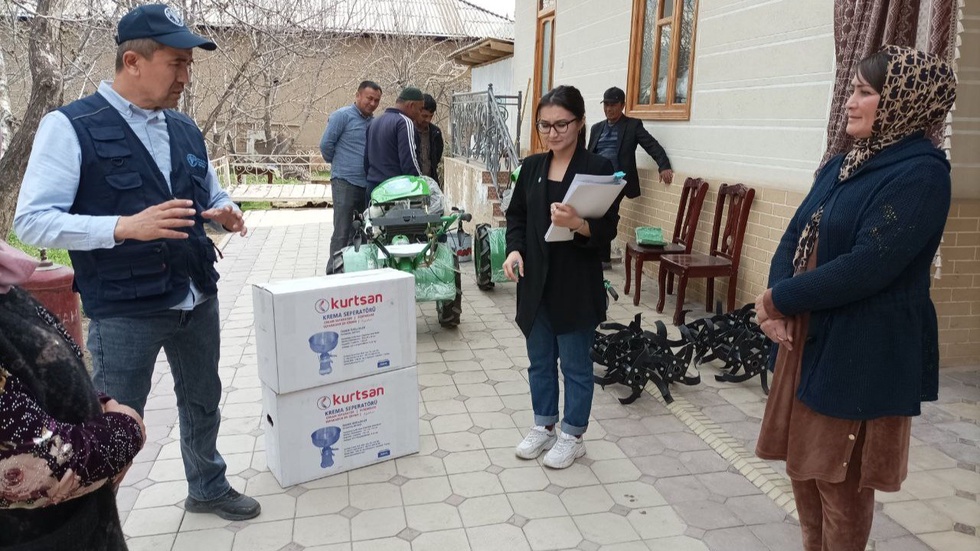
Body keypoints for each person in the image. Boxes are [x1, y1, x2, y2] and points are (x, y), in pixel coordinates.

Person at [13, 4, 260, 521]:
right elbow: (32, 222)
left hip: (196, 295)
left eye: (189, 65)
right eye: (176, 64)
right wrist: (123, 226)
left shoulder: (185, 129)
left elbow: (213, 193)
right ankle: (95, 521)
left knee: (203, 399)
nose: (186, 77)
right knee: (112, 423)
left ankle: (207, 486)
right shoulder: (71, 126)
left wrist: (227, 211)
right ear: (133, 61)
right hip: (126, 309)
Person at [753, 46, 956, 551]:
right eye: (853, 89)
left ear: (903, 101)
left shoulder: (922, 175)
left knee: (838, 480)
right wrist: (776, 302)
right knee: (802, 467)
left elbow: (867, 267)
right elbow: (795, 233)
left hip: (860, 350)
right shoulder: (844, 163)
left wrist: (779, 299)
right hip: (810, 335)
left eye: (864, 91)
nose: (849, 101)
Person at [0, 240, 146, 550]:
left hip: (82, 525)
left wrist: (98, 402)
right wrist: (127, 428)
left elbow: (39, 367)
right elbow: (43, 465)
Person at [504, 85, 619, 469]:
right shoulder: (532, 167)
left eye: (561, 124)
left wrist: (579, 224)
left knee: (575, 366)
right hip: (535, 282)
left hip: (575, 283)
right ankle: (544, 425)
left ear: (580, 122)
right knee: (539, 361)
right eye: (545, 125)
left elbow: (608, 229)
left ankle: (573, 435)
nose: (552, 133)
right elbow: (517, 217)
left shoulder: (598, 169)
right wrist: (514, 250)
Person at [587, 86, 673, 269]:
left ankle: (603, 259)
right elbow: (588, 155)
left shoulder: (632, 126)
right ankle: (598, 256)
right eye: (606, 105)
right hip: (597, 179)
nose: (608, 109)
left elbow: (651, 145)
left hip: (618, 179)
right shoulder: (596, 128)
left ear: (622, 105)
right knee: (595, 213)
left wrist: (664, 165)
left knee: (605, 211)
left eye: (613, 105)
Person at [320, 80, 382, 273]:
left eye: (376, 100)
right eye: (369, 98)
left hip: (366, 185)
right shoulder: (342, 116)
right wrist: (341, 164)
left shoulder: (373, 123)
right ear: (358, 95)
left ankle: (357, 272)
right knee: (342, 231)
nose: (372, 103)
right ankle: (334, 273)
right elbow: (326, 146)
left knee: (364, 230)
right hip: (344, 182)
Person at [363, 86, 424, 199]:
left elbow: (366, 159)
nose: (420, 114)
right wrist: (420, 183)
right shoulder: (404, 122)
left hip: (373, 188)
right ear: (411, 105)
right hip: (395, 191)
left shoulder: (374, 122)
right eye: (420, 109)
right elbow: (409, 160)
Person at [415, 93, 444, 183]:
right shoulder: (407, 131)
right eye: (424, 116)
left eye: (431, 116)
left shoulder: (435, 133)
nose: (428, 120)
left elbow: (437, 157)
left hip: (430, 182)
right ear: (417, 112)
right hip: (412, 183)